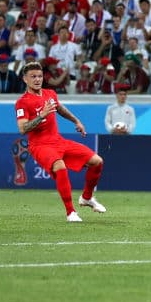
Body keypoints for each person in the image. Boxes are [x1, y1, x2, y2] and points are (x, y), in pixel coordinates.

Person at [15, 61, 106, 222]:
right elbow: (23, 129)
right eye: (33, 76)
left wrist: (76, 121)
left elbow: (60, 109)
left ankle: (86, 198)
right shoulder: (22, 102)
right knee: (60, 166)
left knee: (97, 161)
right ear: (25, 79)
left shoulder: (50, 94)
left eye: (40, 76)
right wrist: (41, 115)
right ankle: (70, 212)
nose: (37, 79)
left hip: (58, 141)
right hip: (39, 145)